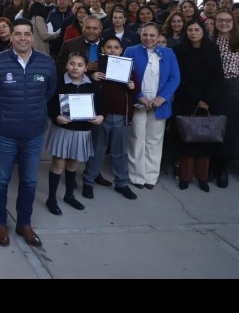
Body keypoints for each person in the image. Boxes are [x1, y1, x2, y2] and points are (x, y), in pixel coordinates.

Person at [0, 18, 57, 248]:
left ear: (32, 37)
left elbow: (48, 93)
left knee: (29, 180)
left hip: (34, 133)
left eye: (27, 34)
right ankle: (0, 223)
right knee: (1, 180)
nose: (22, 38)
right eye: (18, 34)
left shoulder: (46, 63)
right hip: (4, 133)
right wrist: (2, 114)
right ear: (11, 37)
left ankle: (24, 223)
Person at [81, 36, 140, 200]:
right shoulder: (96, 68)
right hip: (101, 116)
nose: (112, 50)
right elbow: (83, 86)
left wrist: (133, 87)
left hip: (122, 116)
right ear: (102, 49)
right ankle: (88, 181)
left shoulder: (129, 69)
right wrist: (92, 77)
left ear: (121, 51)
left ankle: (121, 183)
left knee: (120, 152)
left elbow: (135, 92)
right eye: (108, 47)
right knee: (97, 150)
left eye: (116, 47)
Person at [124, 22, 181, 189]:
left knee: (154, 140)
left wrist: (162, 98)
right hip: (138, 101)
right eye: (145, 35)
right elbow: (126, 76)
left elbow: (175, 78)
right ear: (140, 35)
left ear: (158, 37)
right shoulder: (131, 51)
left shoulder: (168, 53)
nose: (148, 38)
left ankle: (150, 177)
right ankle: (137, 176)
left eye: (152, 35)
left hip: (159, 103)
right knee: (136, 138)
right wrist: (139, 96)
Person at [45, 52, 103, 215]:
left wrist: (101, 116)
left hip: (82, 130)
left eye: (79, 65)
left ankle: (69, 195)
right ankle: (51, 199)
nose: (75, 68)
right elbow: (49, 104)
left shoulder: (92, 84)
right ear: (66, 65)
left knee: (73, 163)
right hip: (63, 129)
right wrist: (56, 117)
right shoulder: (59, 83)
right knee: (58, 163)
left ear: (86, 68)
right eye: (72, 64)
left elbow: (100, 104)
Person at [172, 18, 222, 192]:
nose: (193, 33)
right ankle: (185, 178)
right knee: (186, 140)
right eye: (190, 30)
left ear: (203, 32)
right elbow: (179, 77)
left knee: (204, 140)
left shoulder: (213, 50)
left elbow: (218, 77)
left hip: (208, 102)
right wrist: (196, 99)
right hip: (186, 100)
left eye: (196, 30)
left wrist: (207, 100)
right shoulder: (179, 50)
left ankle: (202, 178)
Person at [213, 9, 239, 188]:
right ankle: (212, 165)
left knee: (229, 130)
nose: (224, 23)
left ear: (233, 22)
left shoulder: (237, 41)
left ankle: (223, 168)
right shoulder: (210, 41)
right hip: (213, 89)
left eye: (228, 20)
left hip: (233, 89)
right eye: (220, 20)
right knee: (213, 127)